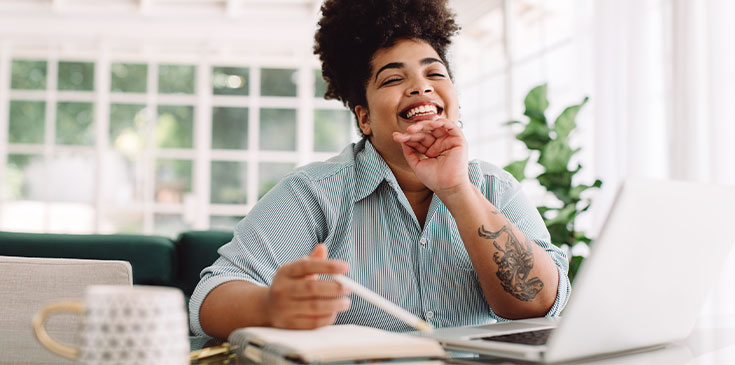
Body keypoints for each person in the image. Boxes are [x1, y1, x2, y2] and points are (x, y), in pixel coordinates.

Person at [190, 0, 570, 339]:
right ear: (365, 118)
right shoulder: (313, 194)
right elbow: (209, 298)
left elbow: (537, 305)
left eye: (435, 74)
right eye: (392, 78)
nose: (421, 87)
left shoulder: (495, 188)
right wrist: (270, 306)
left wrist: (457, 189)